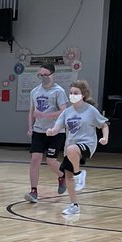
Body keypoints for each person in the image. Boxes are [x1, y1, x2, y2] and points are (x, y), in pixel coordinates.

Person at [46, 79, 109, 216]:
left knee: (71, 150)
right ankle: (74, 205)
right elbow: (58, 127)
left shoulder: (90, 110)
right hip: (71, 147)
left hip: (87, 144)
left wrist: (105, 138)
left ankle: (79, 174)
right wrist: (52, 131)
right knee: (68, 176)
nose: (73, 95)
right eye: (71, 92)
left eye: (76, 92)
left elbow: (104, 124)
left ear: (83, 94)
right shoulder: (67, 112)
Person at [25, 63, 67, 203]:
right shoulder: (34, 92)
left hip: (55, 131)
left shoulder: (58, 91)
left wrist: (45, 116)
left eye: (45, 75)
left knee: (50, 161)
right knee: (35, 159)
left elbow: (63, 111)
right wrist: (30, 127)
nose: (42, 77)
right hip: (39, 131)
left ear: (52, 75)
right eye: (40, 75)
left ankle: (62, 176)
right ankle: (33, 191)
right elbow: (32, 112)